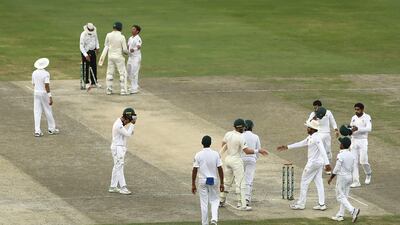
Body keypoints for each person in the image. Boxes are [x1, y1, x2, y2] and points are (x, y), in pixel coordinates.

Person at [277, 119, 331, 210]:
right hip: (318, 163)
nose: (307, 129)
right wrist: (287, 147)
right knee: (319, 182)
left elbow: (322, 149)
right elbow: (302, 143)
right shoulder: (311, 137)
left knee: (304, 182)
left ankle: (301, 204)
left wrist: (327, 164)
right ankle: (322, 204)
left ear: (313, 129)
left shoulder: (316, 137)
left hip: (313, 163)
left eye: (308, 127)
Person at [219, 119, 268, 211]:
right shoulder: (241, 137)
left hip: (228, 159)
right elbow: (247, 151)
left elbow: (223, 145)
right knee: (241, 183)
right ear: (242, 128)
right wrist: (258, 150)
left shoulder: (228, 134)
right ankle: (241, 204)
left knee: (227, 181)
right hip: (236, 160)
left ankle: (221, 200)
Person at [192, 135, 224, 225]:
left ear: (202, 143)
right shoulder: (216, 154)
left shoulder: (198, 154)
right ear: (210, 143)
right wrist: (222, 183)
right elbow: (220, 169)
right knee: (214, 200)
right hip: (213, 180)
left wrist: (193, 184)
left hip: (202, 180)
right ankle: (214, 219)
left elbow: (194, 170)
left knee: (204, 203)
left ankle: (205, 223)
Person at [328, 137, 360, 223]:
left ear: (342, 145)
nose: (339, 144)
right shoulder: (352, 155)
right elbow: (354, 168)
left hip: (342, 178)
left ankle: (353, 210)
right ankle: (340, 215)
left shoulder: (341, 155)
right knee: (344, 196)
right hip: (350, 177)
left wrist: (331, 177)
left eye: (340, 143)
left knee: (339, 196)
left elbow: (337, 168)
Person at [109, 107, 137, 195]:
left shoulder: (120, 124)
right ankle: (123, 187)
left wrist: (131, 126)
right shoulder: (118, 125)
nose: (128, 122)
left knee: (116, 166)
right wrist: (133, 124)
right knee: (119, 167)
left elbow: (128, 133)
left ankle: (113, 186)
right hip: (117, 148)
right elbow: (128, 134)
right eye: (129, 120)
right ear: (126, 118)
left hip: (119, 148)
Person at [307, 100, 339, 173]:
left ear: (319, 107)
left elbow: (332, 121)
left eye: (315, 108)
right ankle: (319, 167)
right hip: (318, 134)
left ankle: (327, 166)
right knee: (320, 150)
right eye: (314, 108)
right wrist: (313, 118)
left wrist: (336, 130)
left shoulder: (328, 112)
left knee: (328, 150)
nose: (314, 109)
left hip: (327, 134)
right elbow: (308, 122)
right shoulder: (313, 114)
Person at [32, 58, 59, 137]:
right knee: (48, 110)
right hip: (44, 94)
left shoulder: (34, 73)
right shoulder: (46, 73)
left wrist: (38, 89)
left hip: (36, 93)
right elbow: (46, 85)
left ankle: (37, 131)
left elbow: (34, 84)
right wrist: (50, 96)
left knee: (37, 112)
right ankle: (51, 129)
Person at [99, 22, 128, 95]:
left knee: (110, 72)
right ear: (120, 28)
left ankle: (109, 90)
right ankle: (123, 90)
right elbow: (124, 50)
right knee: (122, 73)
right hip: (119, 57)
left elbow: (106, 45)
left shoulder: (108, 35)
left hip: (110, 56)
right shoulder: (122, 37)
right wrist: (127, 53)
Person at [349, 102, 372, 188]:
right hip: (354, 141)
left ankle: (368, 173)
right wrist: (349, 130)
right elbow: (351, 127)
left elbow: (369, 128)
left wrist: (358, 128)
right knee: (354, 162)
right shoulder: (353, 118)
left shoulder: (367, 117)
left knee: (363, 161)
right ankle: (356, 181)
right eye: (355, 109)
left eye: (358, 109)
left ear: (362, 110)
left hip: (363, 141)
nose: (356, 111)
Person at [241, 120, 261, 206]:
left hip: (241, 159)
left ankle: (241, 197)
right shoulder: (255, 136)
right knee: (249, 179)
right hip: (251, 159)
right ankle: (247, 198)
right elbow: (258, 149)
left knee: (241, 179)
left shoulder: (240, 136)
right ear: (252, 127)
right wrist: (255, 158)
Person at [79, 22, 100, 89]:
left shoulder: (94, 32)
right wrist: (85, 55)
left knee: (94, 66)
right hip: (86, 52)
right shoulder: (83, 34)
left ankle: (94, 82)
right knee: (86, 67)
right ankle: (86, 82)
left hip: (93, 51)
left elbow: (96, 40)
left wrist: (97, 48)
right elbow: (81, 46)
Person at [127, 25, 142, 94]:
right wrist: (126, 51)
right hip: (130, 57)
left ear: (137, 31)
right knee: (129, 72)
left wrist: (134, 49)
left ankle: (135, 88)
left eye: (134, 29)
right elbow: (128, 46)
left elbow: (139, 46)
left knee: (134, 73)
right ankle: (133, 85)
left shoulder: (138, 38)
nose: (132, 30)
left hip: (136, 57)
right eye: (132, 29)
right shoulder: (130, 38)